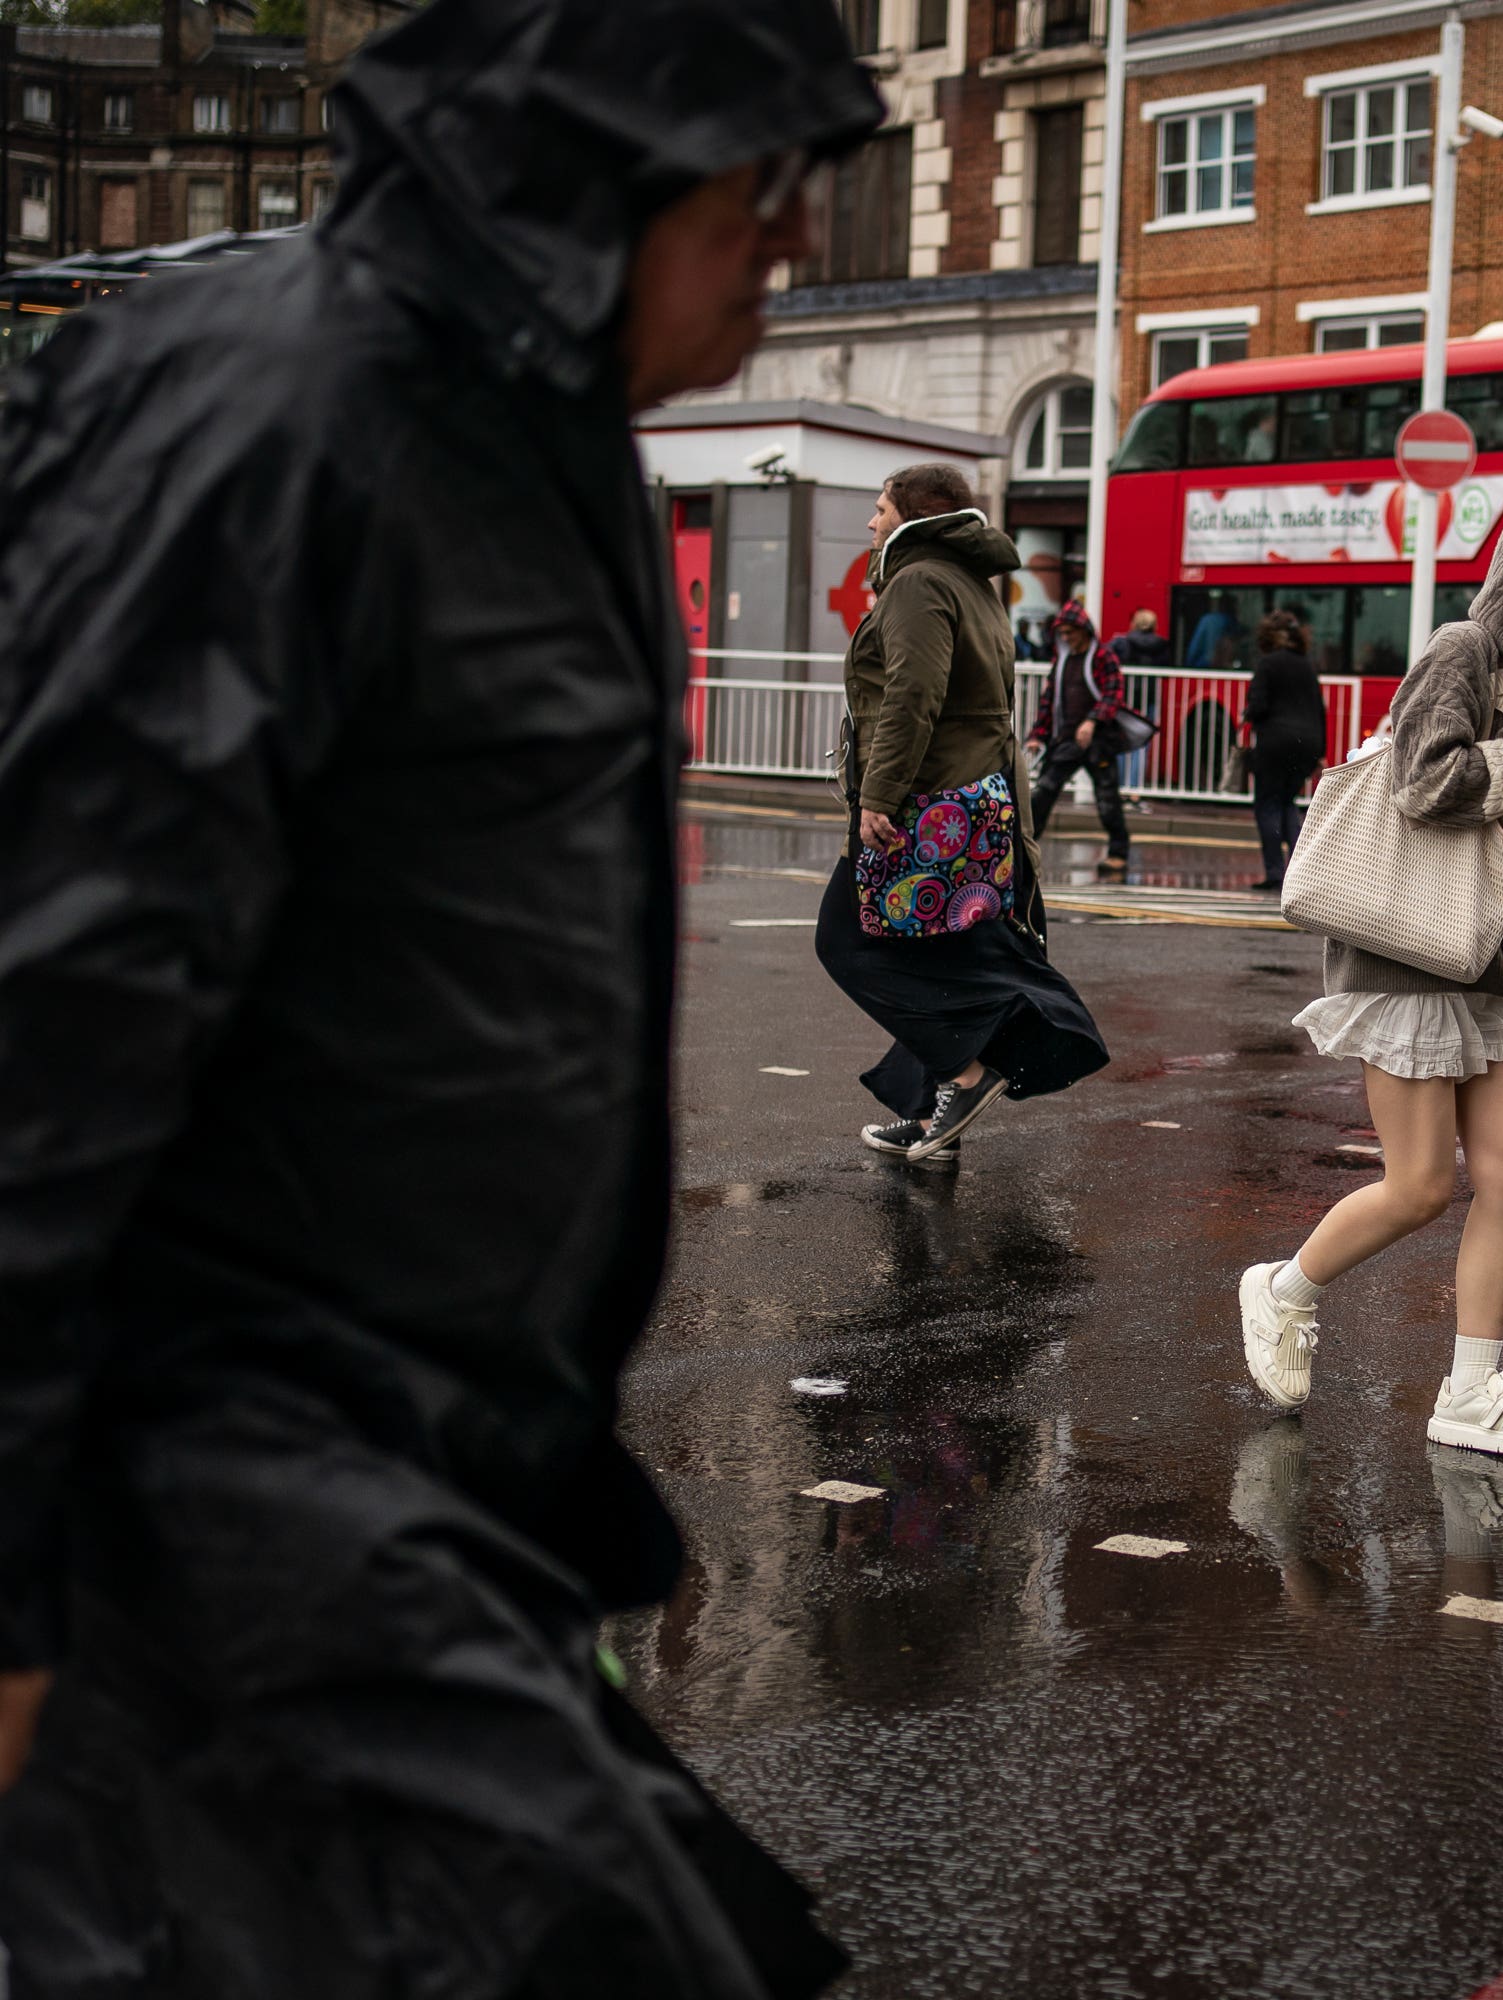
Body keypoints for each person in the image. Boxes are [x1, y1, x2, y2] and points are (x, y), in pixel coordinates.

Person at [0, 2, 881, 1990]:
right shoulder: (280, 410)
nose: (795, 239)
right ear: (589, 171)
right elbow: (47, 1005)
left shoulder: (520, 427)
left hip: (406, 1481)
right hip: (211, 1482)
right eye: (760, 183)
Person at [1236, 476, 1503, 1459]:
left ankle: (1469, 1390)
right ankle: (1282, 1290)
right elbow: (1424, 781)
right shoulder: (1459, 653)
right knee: (1418, 1187)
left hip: (1498, 964)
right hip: (1410, 951)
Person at [821, 463, 1108, 1167]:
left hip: (925, 803)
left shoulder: (919, 583)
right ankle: (930, 1116)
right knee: (941, 952)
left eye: (881, 507)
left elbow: (911, 698)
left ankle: (965, 1078)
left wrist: (879, 798)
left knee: (848, 941)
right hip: (970, 797)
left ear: (915, 516)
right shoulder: (971, 585)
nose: (871, 522)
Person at [1027, 602, 1134, 877]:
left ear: (1084, 631)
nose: (1066, 638)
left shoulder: (1103, 657)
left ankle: (1118, 853)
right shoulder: (1061, 661)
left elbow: (1113, 694)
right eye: (1062, 633)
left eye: (1070, 632)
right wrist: (1038, 734)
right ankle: (1024, 852)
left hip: (1098, 742)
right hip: (1066, 740)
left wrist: (1092, 720)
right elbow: (1049, 700)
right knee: (1043, 792)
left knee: (1107, 799)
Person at [1243, 607, 1326, 891]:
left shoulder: (1268, 664)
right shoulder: (1307, 665)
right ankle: (1297, 871)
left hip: (1275, 740)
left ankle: (1275, 871)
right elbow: (1319, 709)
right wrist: (1320, 752)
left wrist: (1248, 714)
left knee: (1267, 803)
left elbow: (1258, 706)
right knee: (1288, 802)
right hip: (1308, 742)